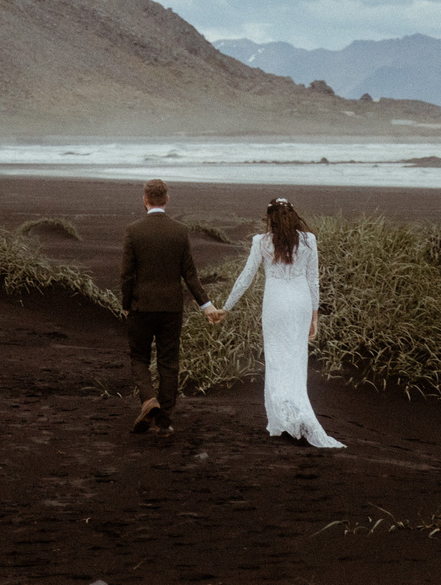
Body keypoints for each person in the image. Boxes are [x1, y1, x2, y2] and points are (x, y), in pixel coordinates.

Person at [207, 197, 344, 448]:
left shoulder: (261, 242)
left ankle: (284, 419)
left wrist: (226, 307)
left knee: (277, 358)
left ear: (269, 218)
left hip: (276, 304)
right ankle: (295, 416)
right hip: (301, 302)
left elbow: (246, 277)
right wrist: (315, 315)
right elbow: (313, 280)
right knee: (296, 359)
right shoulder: (309, 240)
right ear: (292, 215)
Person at [118, 177, 211, 434]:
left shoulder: (133, 230)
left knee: (139, 357)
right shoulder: (179, 231)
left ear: (145, 200)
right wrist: (207, 305)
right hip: (171, 307)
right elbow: (190, 274)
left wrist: (127, 304)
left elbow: (126, 274)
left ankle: (149, 401)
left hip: (141, 306)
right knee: (169, 361)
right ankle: (163, 418)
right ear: (166, 199)